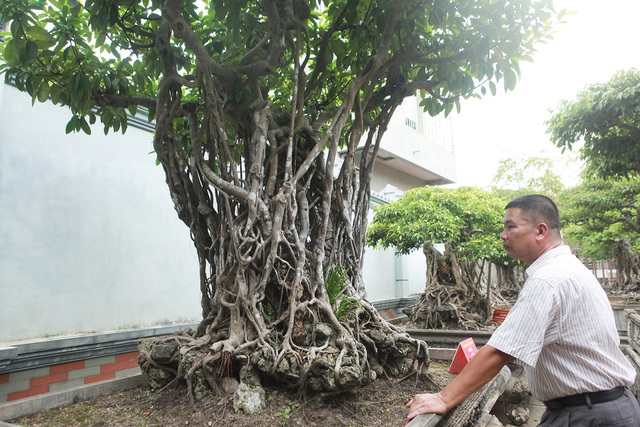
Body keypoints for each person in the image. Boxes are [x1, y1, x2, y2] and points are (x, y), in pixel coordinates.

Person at [406, 194, 640, 426]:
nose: (502, 235)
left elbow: (500, 352)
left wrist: (443, 398)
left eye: (511, 227)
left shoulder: (548, 280)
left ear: (540, 231)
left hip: (589, 414)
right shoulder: (567, 268)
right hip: (598, 406)